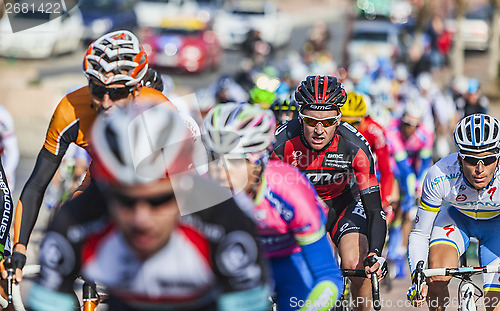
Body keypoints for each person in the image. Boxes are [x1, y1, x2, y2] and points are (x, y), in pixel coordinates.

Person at [27, 104, 271, 311]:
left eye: (158, 201)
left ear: (185, 186)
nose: (141, 218)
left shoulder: (224, 219)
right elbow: (49, 303)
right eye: (125, 201)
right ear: (105, 193)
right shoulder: (75, 220)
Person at [10, 30, 175, 280]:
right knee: (59, 243)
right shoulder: (69, 110)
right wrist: (19, 249)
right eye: (97, 91)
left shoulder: (160, 110)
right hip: (100, 185)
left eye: (117, 93)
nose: (106, 102)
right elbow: (35, 185)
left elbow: (195, 193)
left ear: (136, 89)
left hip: (155, 191)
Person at [203, 103, 344, 311]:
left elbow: (328, 276)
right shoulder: (201, 189)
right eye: (213, 159)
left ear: (257, 160)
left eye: (232, 161)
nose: (219, 173)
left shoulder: (288, 189)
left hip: (292, 259)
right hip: (242, 265)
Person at [272, 75, 387, 311]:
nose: (319, 130)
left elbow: (375, 210)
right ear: (300, 117)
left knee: (357, 265)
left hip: (342, 205)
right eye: (311, 121)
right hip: (300, 211)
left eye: (328, 121)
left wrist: (375, 254)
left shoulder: (355, 145)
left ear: (339, 120)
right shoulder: (279, 143)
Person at [407, 114, 500, 311]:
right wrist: (418, 277)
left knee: (495, 304)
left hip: (496, 226)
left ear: (498, 158)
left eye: (488, 159)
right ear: (459, 158)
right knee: (436, 278)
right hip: (457, 219)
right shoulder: (440, 174)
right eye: (471, 160)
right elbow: (420, 233)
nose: (480, 169)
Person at [385, 98, 434, 278]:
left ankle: (400, 251)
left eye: (413, 125)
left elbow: (424, 164)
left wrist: (419, 183)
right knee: (396, 200)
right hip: (395, 168)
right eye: (406, 124)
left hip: (413, 168)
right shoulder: (392, 129)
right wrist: (411, 182)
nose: (409, 129)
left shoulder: (426, 134)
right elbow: (402, 166)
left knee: (410, 211)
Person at [340, 92, 394, 218]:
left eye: (354, 123)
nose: (349, 127)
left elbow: (386, 170)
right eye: (344, 122)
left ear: (364, 118)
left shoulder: (375, 131)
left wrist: (385, 202)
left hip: (372, 175)